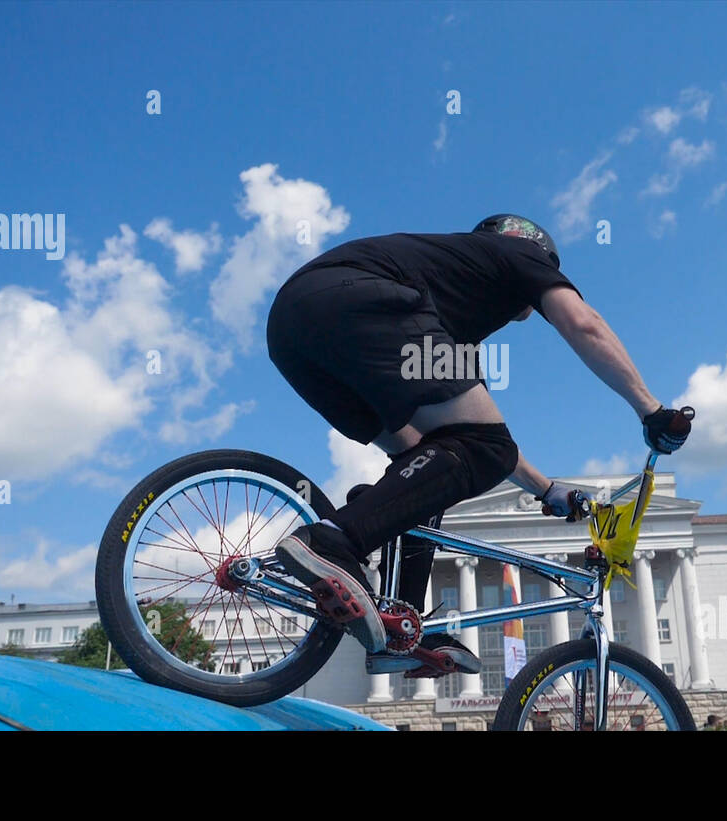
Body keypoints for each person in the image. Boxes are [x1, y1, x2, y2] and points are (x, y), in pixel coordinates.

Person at [257, 215, 692, 676]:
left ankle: (398, 626)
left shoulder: (447, 318)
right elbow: (584, 324)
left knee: (426, 463)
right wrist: (652, 410)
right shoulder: (517, 253)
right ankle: (334, 541)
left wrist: (546, 489)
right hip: (360, 302)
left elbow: (468, 439)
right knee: (484, 448)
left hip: (291, 332)